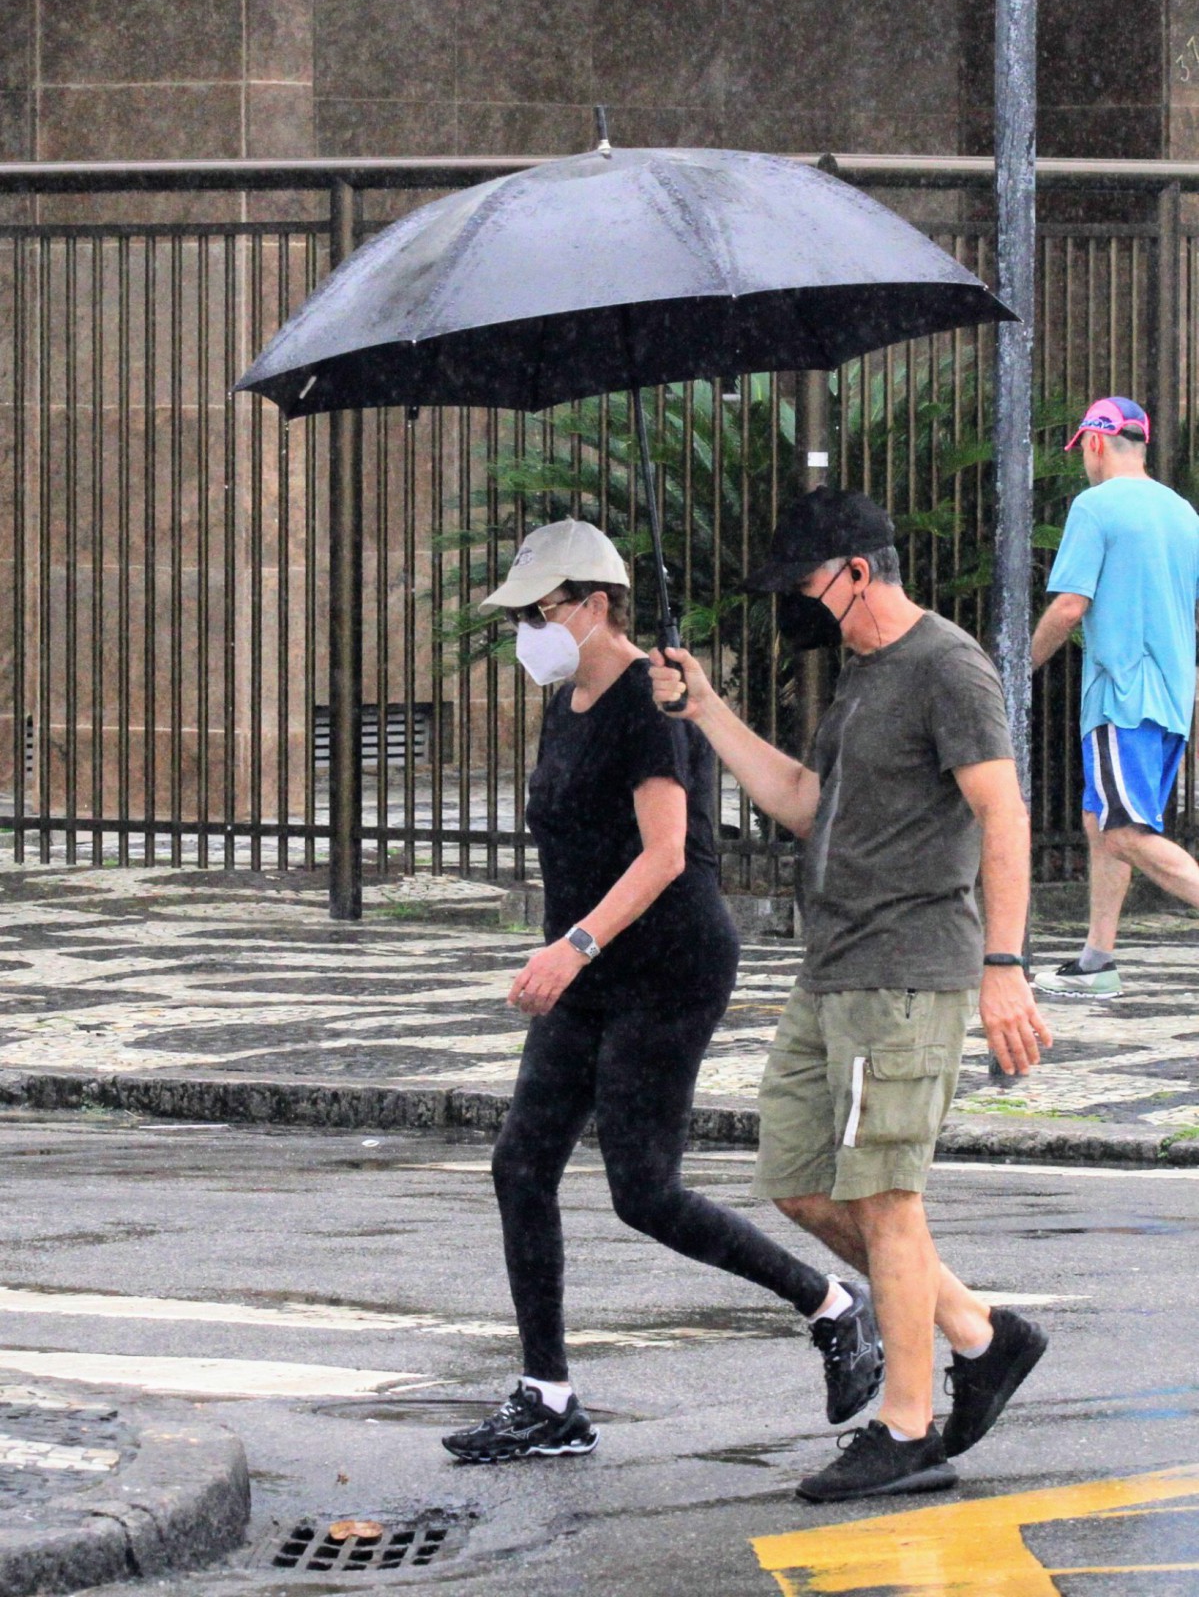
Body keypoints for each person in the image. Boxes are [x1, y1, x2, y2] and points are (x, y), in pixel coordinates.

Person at [442, 518, 883, 1467]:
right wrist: (572, 952)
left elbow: (666, 853)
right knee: (522, 1166)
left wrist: (573, 946)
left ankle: (834, 1304)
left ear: (595, 606)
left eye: (539, 610)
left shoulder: (651, 700)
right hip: (589, 967)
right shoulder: (567, 700)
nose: (526, 631)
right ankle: (547, 1398)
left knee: (644, 1192)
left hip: (667, 964)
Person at [649, 487, 1052, 1504]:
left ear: (855, 573)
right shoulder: (865, 678)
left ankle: (906, 1431)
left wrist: (1001, 967)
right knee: (796, 1177)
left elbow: (1001, 814)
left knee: (884, 1199)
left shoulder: (946, 668)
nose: (793, 603)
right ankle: (977, 1335)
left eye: (801, 584)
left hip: (904, 972)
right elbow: (803, 803)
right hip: (831, 969)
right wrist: (705, 711)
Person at [1032, 396, 1199, 999]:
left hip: (1121, 695)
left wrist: (1017, 664)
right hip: (1172, 699)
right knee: (1101, 820)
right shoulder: (1184, 514)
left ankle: (1099, 961)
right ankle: (1097, 961)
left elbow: (1070, 604)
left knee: (1124, 830)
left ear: (1096, 443)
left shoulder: (1095, 507)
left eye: (1083, 451)